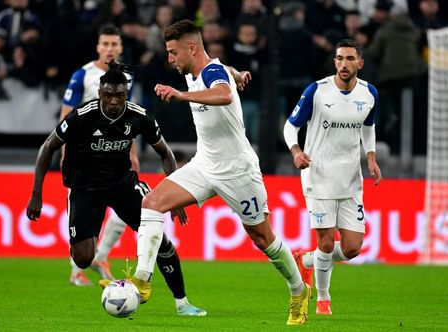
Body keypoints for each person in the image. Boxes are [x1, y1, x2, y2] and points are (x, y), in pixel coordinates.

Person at [130, 19, 310, 325]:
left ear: (191, 47)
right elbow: (223, 71)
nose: (170, 59)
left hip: (238, 171)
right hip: (205, 165)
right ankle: (142, 281)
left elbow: (224, 94)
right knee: (150, 204)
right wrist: (238, 73)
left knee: (262, 237)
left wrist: (182, 95)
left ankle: (299, 290)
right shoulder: (204, 68)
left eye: (174, 52)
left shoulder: (211, 74)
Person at [26, 61, 206, 316]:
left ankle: (182, 302)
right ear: (100, 93)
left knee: (161, 241)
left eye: (119, 95)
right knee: (82, 258)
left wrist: (175, 196)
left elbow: (166, 153)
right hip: (85, 187)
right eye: (108, 95)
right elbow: (47, 147)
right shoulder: (82, 116)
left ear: (126, 94)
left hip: (123, 184)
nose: (113, 101)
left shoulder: (139, 116)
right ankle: (104, 265)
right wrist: (36, 193)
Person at [283, 39, 382, 315]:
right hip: (318, 177)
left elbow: (368, 127)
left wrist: (371, 157)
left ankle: (305, 260)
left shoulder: (369, 93)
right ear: (334, 61)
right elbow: (290, 126)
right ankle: (323, 299)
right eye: (339, 58)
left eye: (350, 59)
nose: (344, 64)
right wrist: (296, 151)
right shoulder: (317, 91)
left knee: (352, 248)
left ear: (359, 63)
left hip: (351, 180)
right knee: (326, 243)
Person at [60, 23, 138, 286]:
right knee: (85, 215)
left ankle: (100, 257)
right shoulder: (81, 75)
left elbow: (129, 119)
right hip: (84, 158)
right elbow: (65, 115)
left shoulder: (127, 77)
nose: (109, 49)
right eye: (105, 44)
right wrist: (64, 152)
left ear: (121, 47)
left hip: (116, 155)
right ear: (98, 47)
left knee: (121, 213)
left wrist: (133, 152)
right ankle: (77, 270)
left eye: (114, 44)